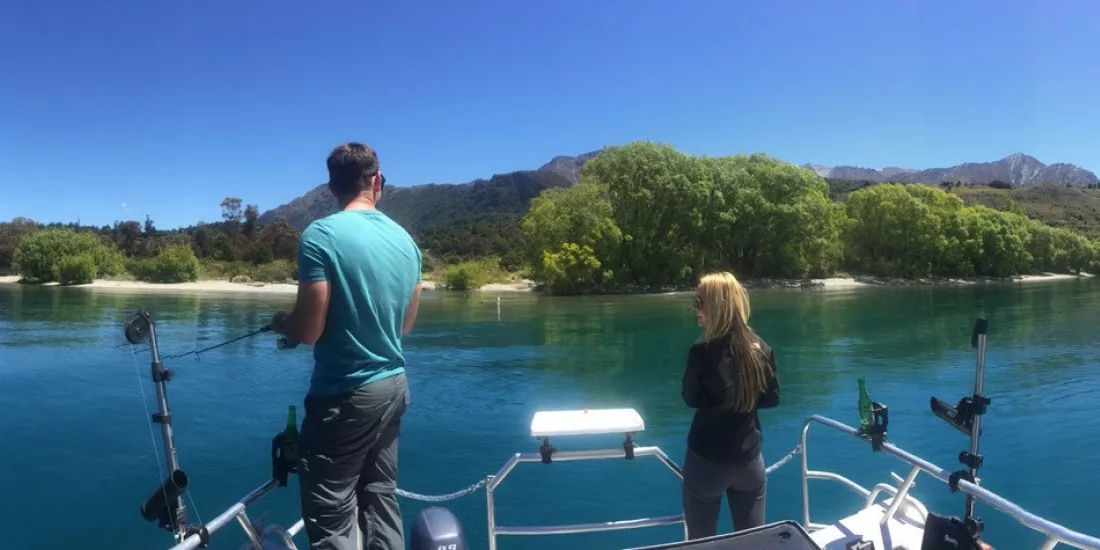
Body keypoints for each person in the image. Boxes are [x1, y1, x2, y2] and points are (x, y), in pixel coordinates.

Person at [270, 142, 423, 550]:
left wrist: (283, 323)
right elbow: (405, 324)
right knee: (380, 497)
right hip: (393, 385)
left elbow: (309, 330)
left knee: (332, 513)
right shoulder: (406, 241)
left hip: (344, 395)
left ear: (331, 187)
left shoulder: (321, 235)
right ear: (376, 181)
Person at [680, 271, 780, 539]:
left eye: (699, 302)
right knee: (752, 542)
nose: (696, 309)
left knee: (701, 543)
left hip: (706, 465)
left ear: (716, 306)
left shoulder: (700, 353)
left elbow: (691, 399)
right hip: (749, 464)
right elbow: (771, 399)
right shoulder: (762, 349)